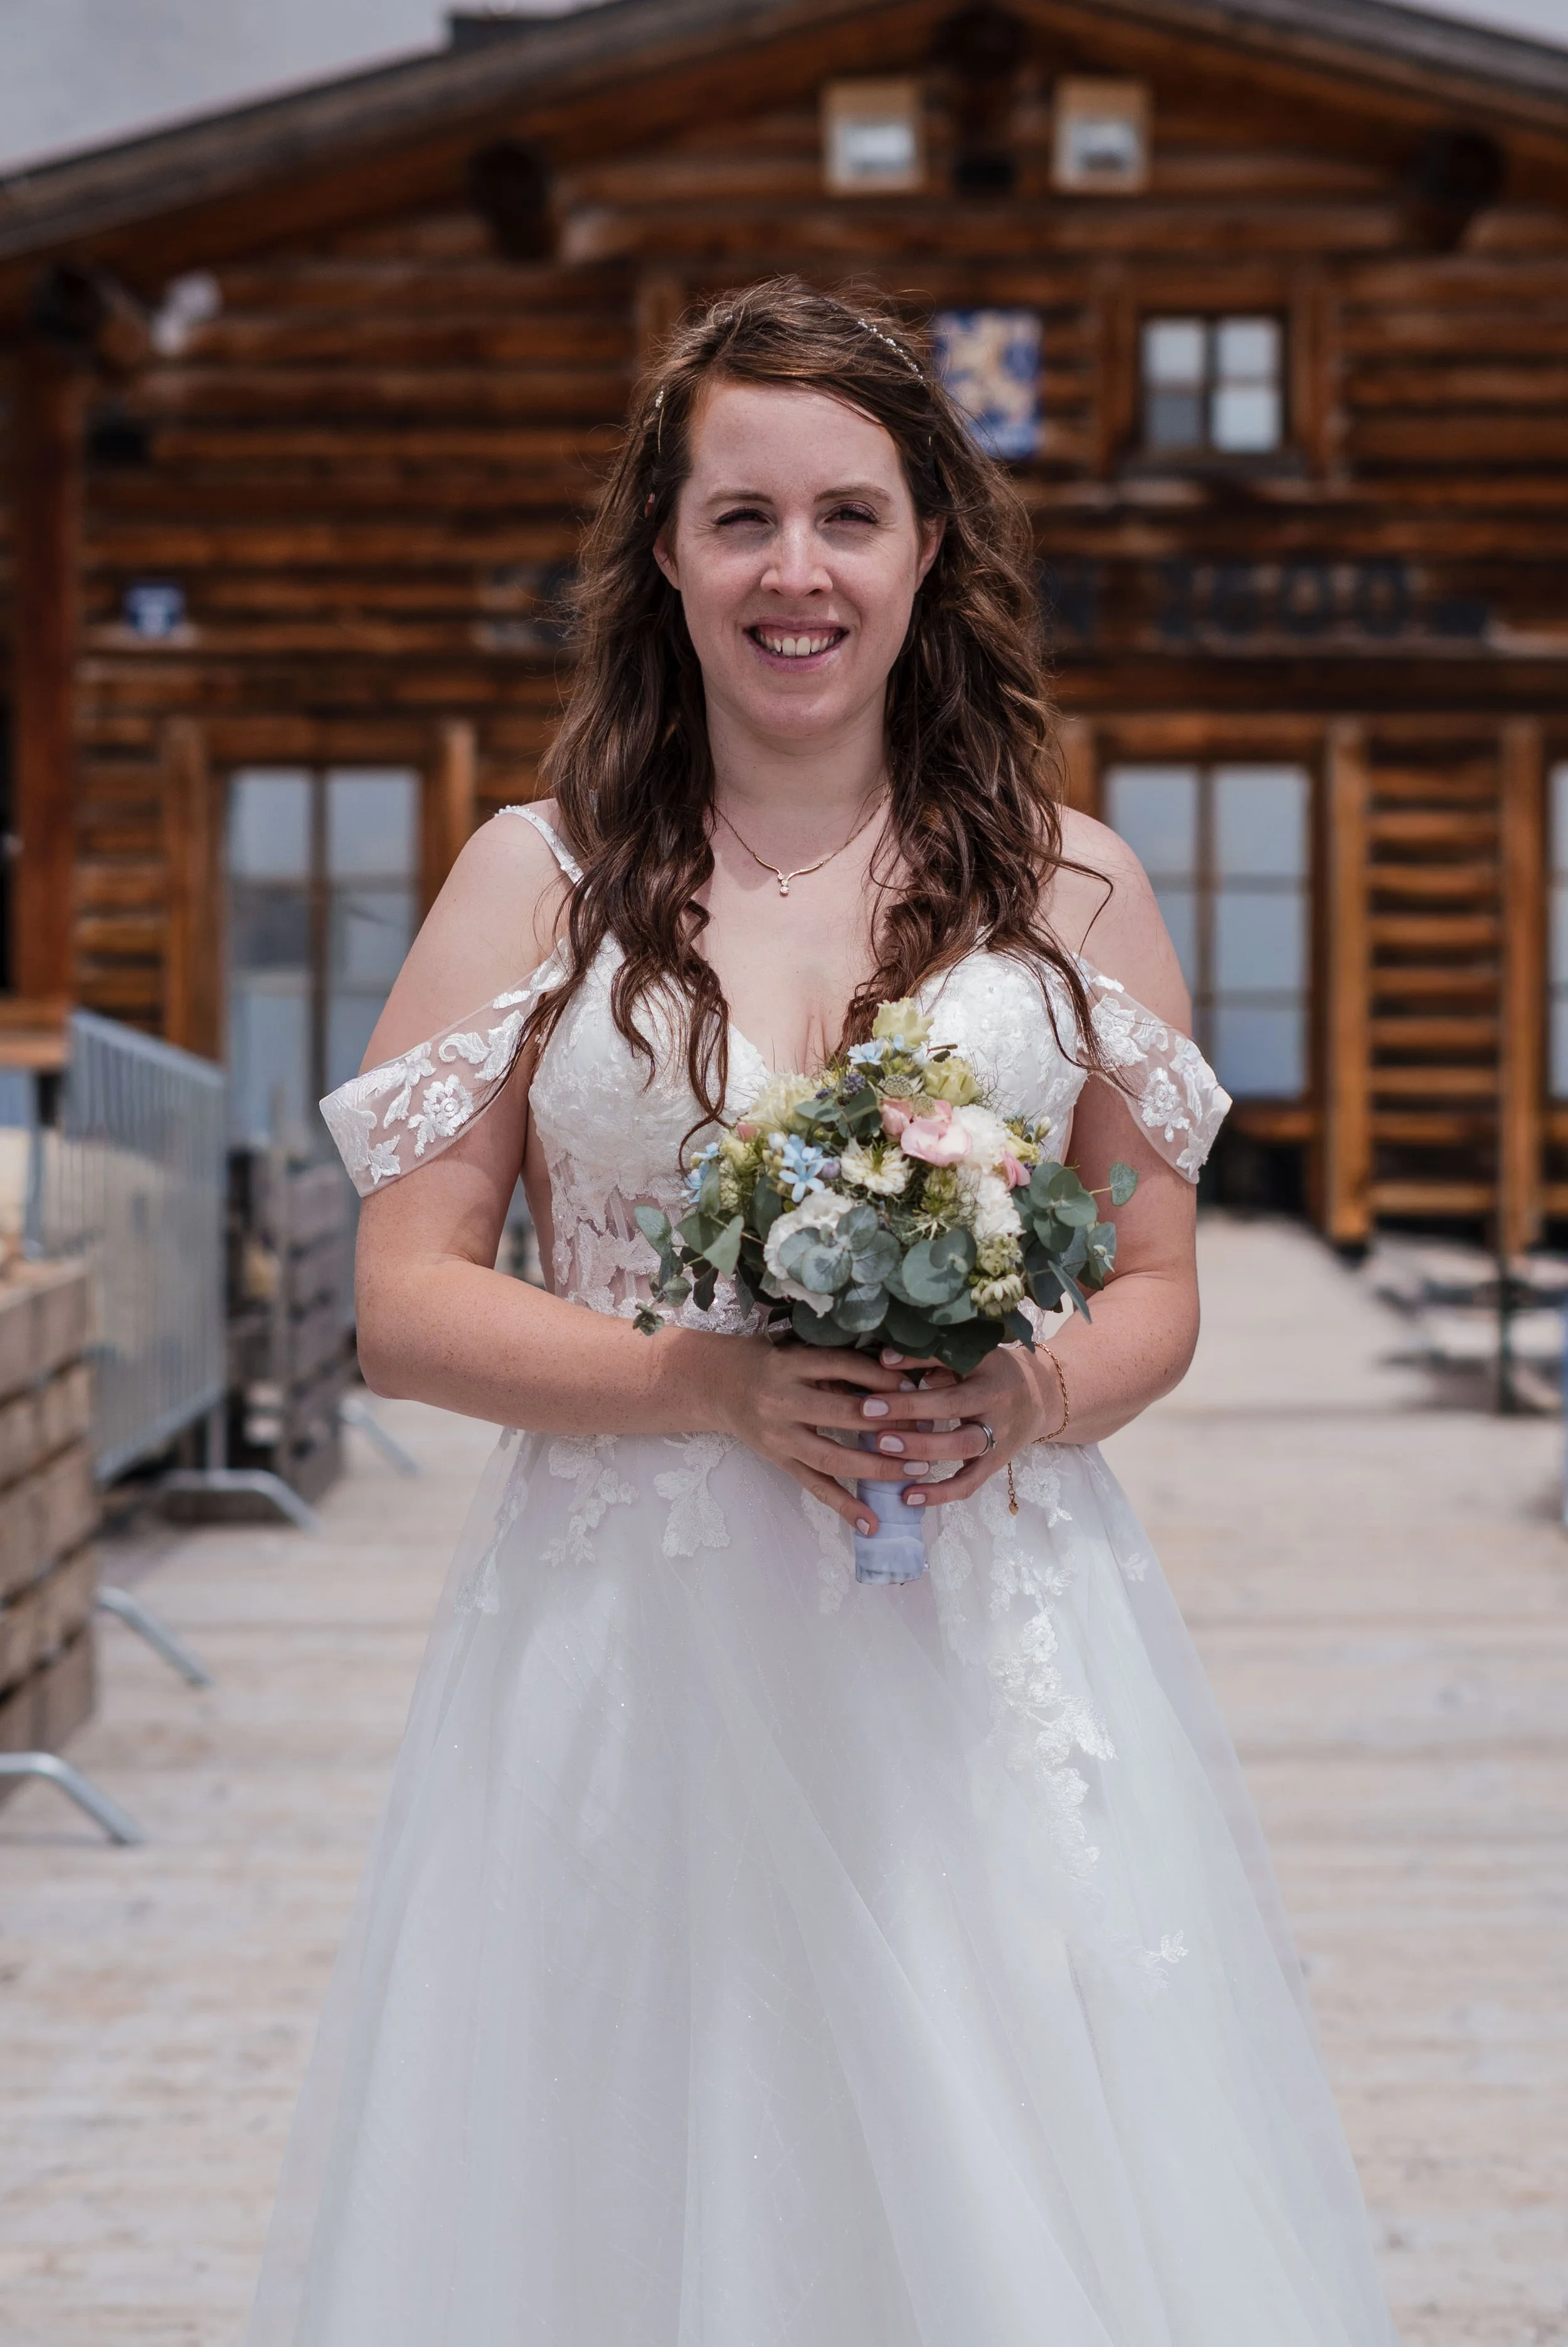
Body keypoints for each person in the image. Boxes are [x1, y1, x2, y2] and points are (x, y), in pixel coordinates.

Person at [249, 278, 1396, 2347]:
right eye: (742, 518)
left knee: (997, 2153)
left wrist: (1030, 1396)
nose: (798, 572)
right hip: (627, 1646)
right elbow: (403, 1306)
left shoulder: (1076, 892)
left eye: (848, 516)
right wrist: (697, 1379)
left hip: (977, 1634)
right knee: (631, 2154)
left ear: (926, 548)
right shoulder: (538, 877)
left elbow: (1156, 1281)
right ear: (667, 555)